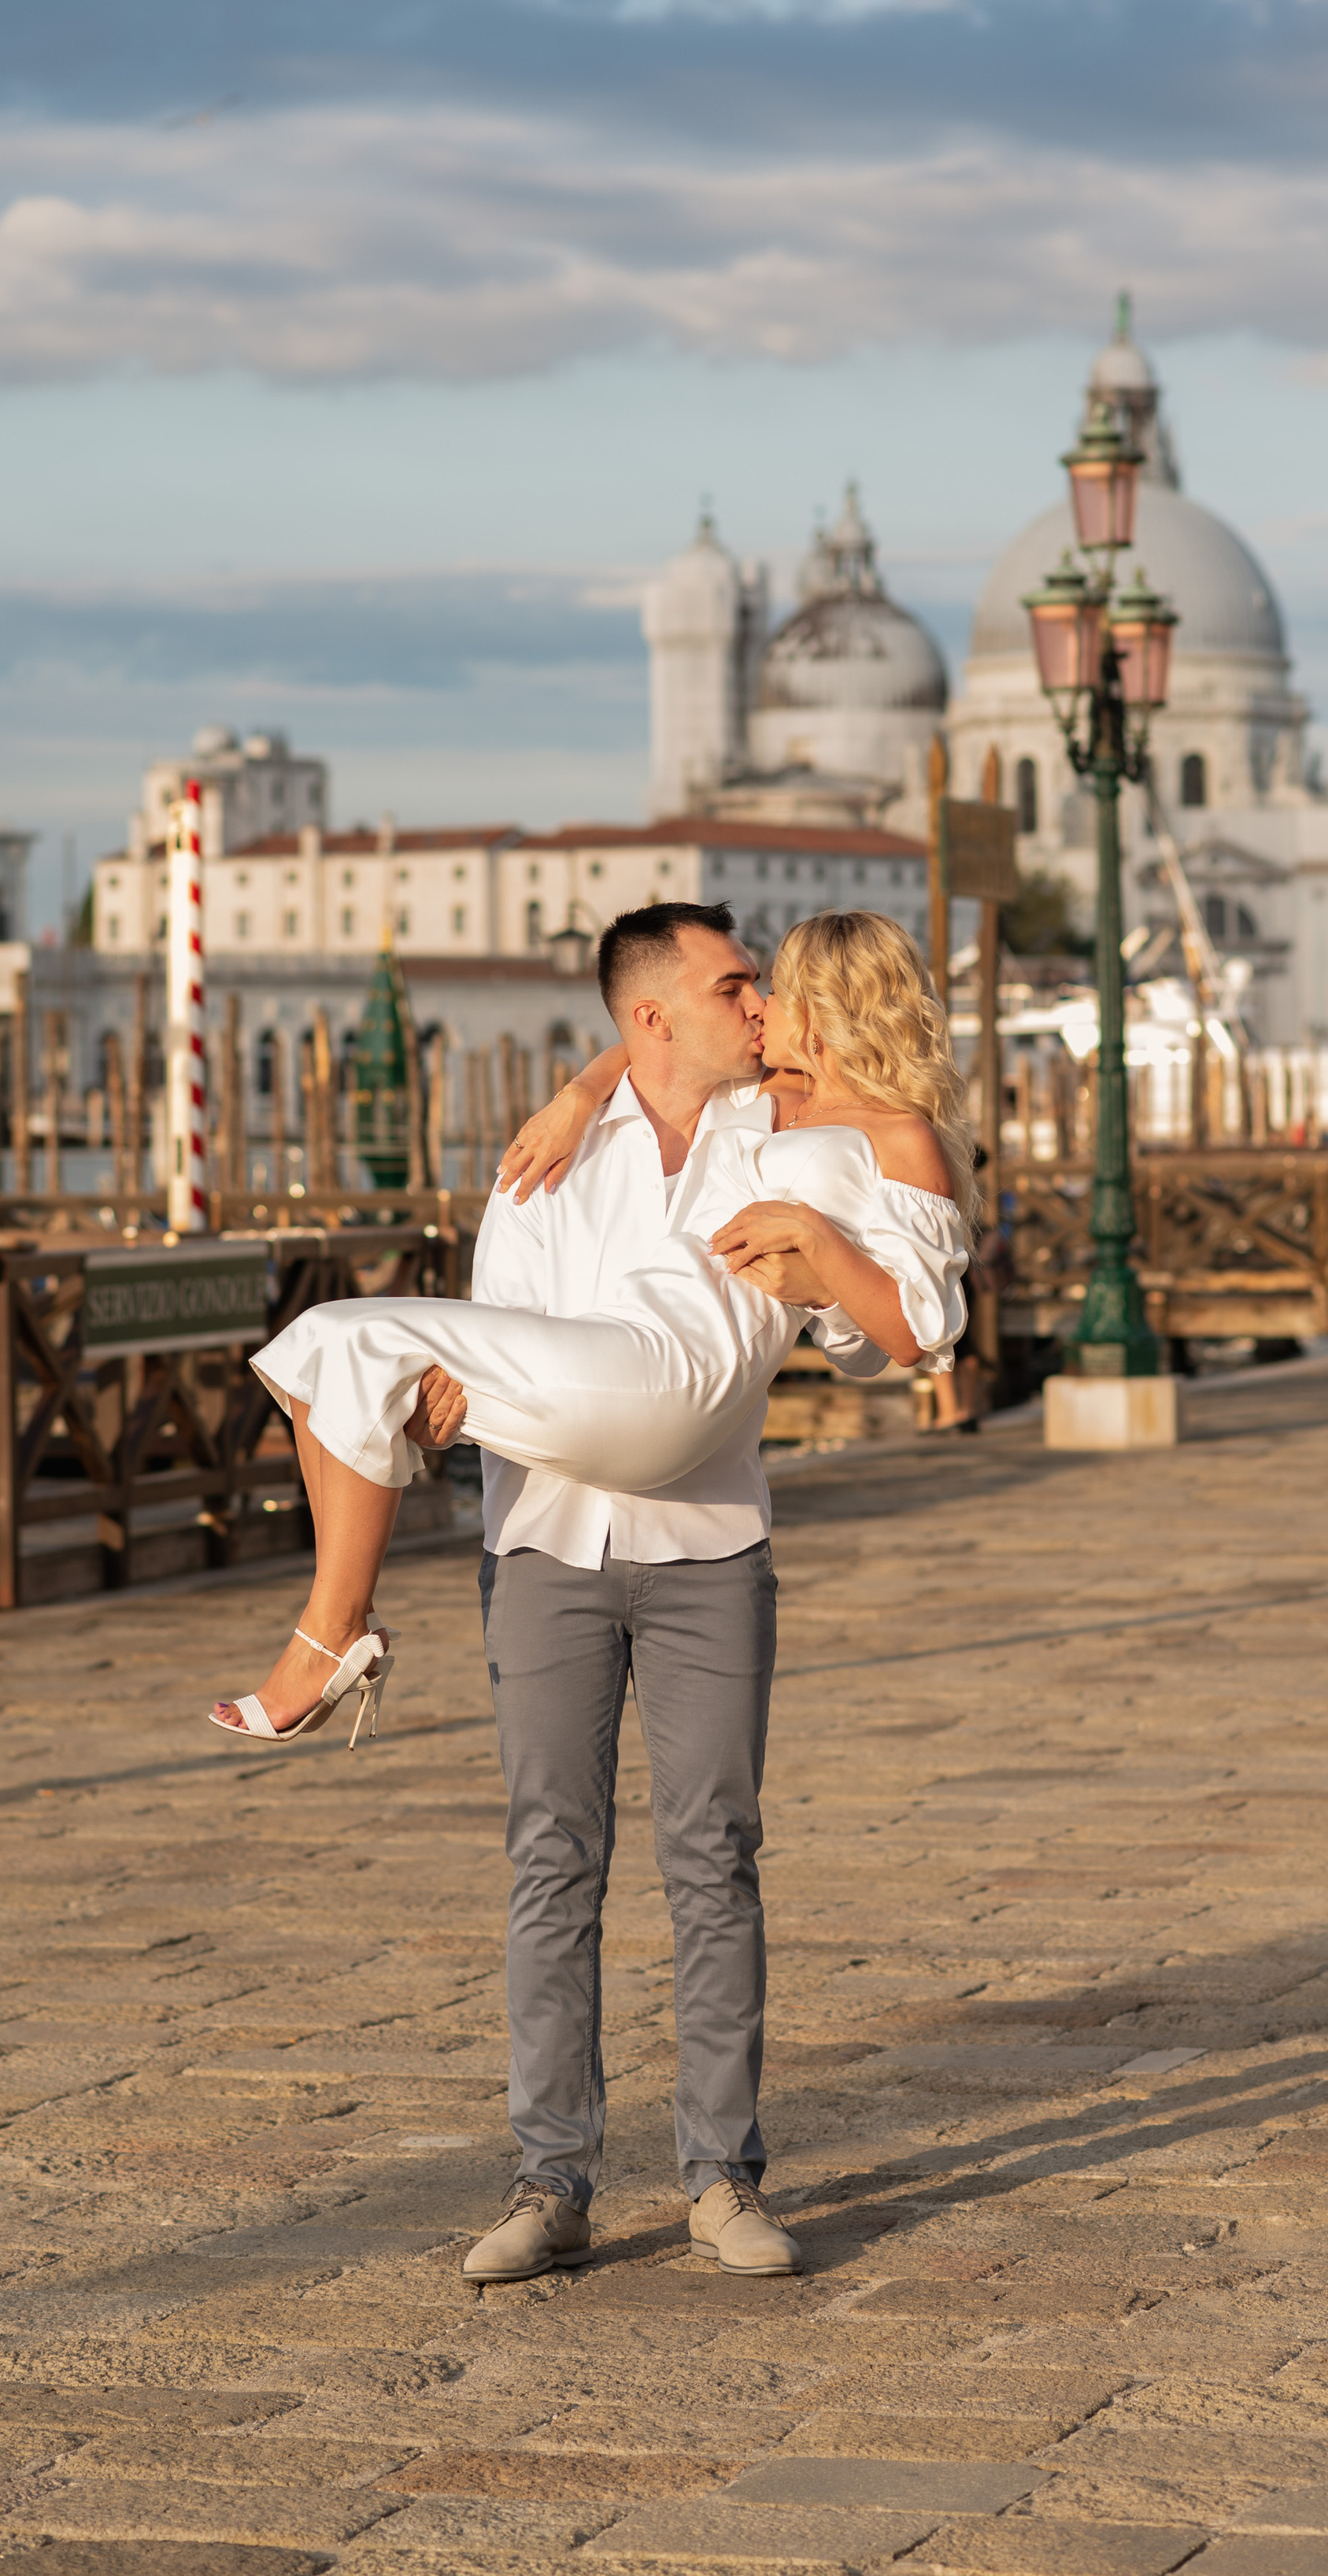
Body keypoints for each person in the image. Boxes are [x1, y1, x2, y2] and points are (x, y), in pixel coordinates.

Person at [215, 902, 973, 2281]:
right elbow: (485, 1349)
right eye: (734, 985)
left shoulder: (777, 1124)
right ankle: (550, 2182)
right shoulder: (543, 1165)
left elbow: (883, 1335)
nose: (760, 1005)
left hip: (709, 1547)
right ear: (653, 1015)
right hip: (546, 1545)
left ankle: (723, 2180)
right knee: (551, 1860)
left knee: (715, 1860)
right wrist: (578, 1106)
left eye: (764, 986)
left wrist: (815, 1255)